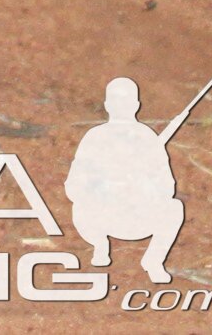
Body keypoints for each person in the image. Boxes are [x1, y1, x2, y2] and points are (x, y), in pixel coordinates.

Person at [67, 76, 189, 282]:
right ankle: (99, 245)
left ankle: (153, 260)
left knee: (174, 208)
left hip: (137, 216)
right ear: (107, 104)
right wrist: (103, 186)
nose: (120, 105)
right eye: (115, 99)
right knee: (79, 208)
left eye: (126, 100)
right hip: (102, 215)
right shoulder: (94, 137)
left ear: (136, 105)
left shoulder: (148, 138)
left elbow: (167, 186)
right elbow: (74, 185)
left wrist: (141, 184)